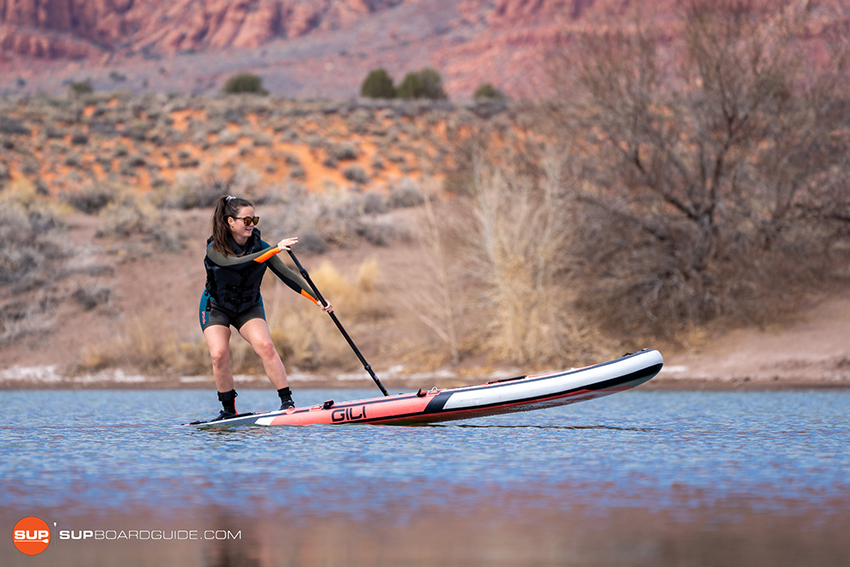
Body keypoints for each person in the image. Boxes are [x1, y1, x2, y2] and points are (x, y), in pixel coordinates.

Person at [200, 195, 332, 421]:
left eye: (255, 220)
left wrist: (317, 298)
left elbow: (287, 275)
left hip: (248, 307)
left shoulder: (260, 246)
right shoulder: (215, 248)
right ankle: (228, 411)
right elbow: (237, 263)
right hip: (216, 307)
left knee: (266, 346)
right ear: (230, 221)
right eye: (246, 220)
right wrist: (274, 249)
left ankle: (287, 403)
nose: (251, 225)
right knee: (218, 355)